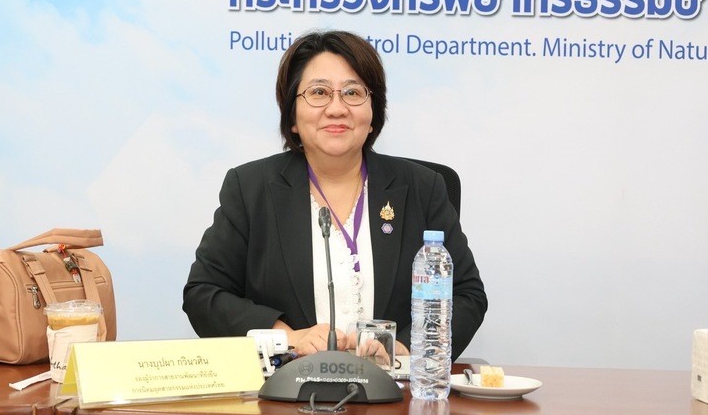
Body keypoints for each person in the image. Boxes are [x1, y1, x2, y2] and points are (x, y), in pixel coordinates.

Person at [183, 30, 486, 360]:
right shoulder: (250, 188)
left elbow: (467, 295)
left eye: (353, 92)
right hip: (287, 384)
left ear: (373, 114)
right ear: (292, 115)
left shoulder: (422, 188)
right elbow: (203, 294)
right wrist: (287, 337)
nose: (337, 108)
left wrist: (404, 348)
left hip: (393, 386)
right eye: (319, 92)